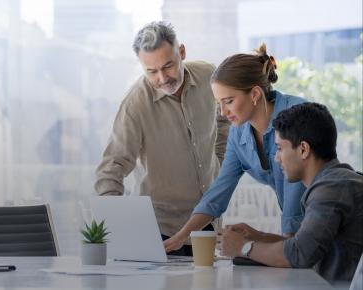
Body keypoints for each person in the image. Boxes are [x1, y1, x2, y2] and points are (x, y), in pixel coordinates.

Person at [95, 21, 230, 256]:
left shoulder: (209, 75)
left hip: (208, 221)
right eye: (151, 71)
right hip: (160, 230)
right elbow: (111, 168)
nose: (162, 78)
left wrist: (218, 162)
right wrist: (117, 228)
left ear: (182, 52)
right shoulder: (135, 104)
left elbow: (224, 120)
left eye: (168, 66)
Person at [164, 44, 308, 253]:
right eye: (219, 104)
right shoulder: (239, 133)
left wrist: (278, 246)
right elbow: (218, 192)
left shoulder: (296, 116)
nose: (223, 113)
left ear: (255, 94)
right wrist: (181, 236)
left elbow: (295, 204)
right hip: (301, 237)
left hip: (327, 224)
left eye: (229, 101)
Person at [217, 102, 363, 283]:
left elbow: (300, 254)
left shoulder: (333, 187)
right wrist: (258, 237)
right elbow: (307, 245)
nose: (276, 158)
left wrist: (244, 247)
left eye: (279, 148)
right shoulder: (335, 181)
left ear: (303, 149)